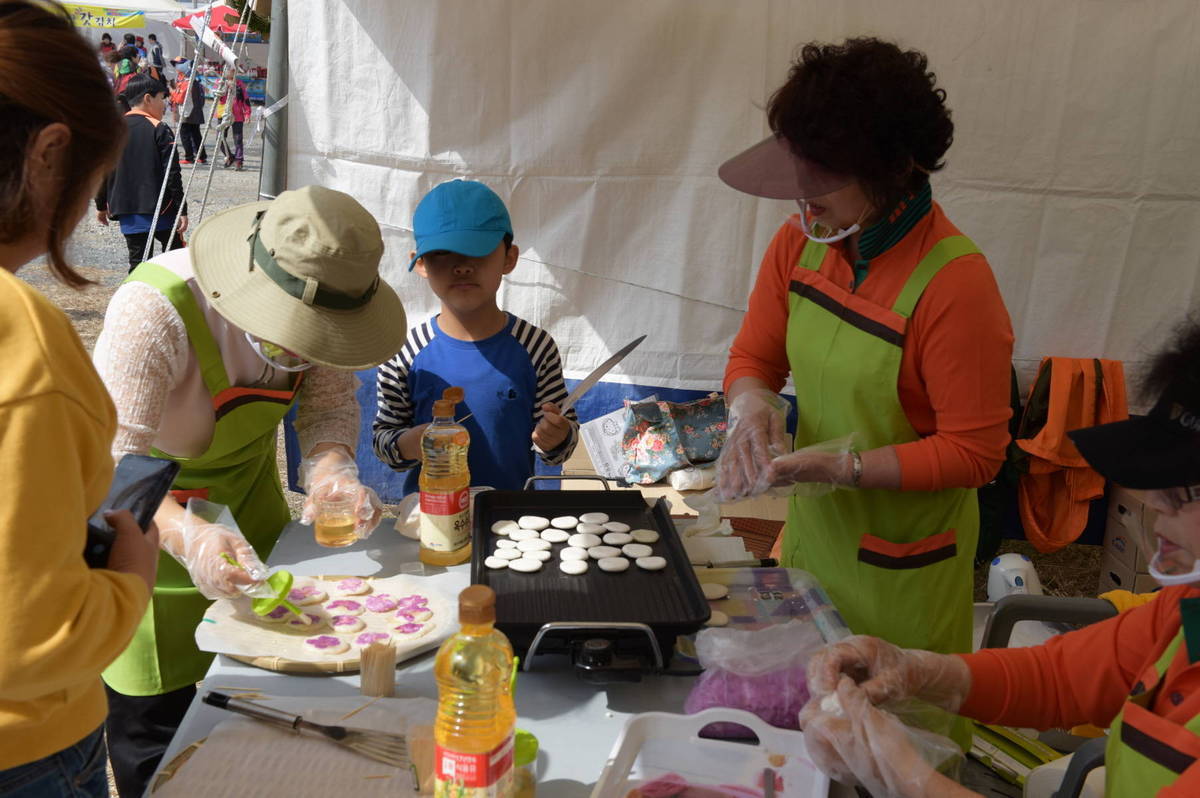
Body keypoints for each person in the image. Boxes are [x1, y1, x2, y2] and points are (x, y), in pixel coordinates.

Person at [800, 316, 1200, 797]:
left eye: (1184, 491)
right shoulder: (1183, 613)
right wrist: (919, 671)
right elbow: (1060, 680)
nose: (1155, 504)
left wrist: (904, 774)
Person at [92, 184, 405, 797]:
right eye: (295, 330)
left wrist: (331, 470)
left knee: (263, 729)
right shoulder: (154, 311)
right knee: (159, 749)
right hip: (144, 540)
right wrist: (188, 534)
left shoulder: (331, 301)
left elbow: (328, 408)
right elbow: (109, 463)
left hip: (253, 526)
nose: (302, 349)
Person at [717, 38, 1013, 668]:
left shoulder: (956, 284)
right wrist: (752, 406)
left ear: (891, 167)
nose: (804, 194)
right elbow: (753, 359)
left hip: (904, 568)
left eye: (824, 174)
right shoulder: (799, 244)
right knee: (806, 710)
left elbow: (975, 453)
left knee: (893, 720)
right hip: (813, 544)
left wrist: (845, 468)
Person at [0, 2, 160, 796]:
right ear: (49, 153)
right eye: (94, 177)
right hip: (24, 749)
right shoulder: (23, 343)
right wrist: (127, 580)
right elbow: (30, 635)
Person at [373, 179, 579, 494]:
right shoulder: (403, 351)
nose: (462, 267)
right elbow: (384, 441)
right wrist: (412, 443)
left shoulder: (536, 346)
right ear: (421, 264)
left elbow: (559, 448)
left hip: (511, 517)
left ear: (509, 258)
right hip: (431, 514)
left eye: (478, 250)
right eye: (443, 254)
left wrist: (557, 436)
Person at [95, 74, 187, 271]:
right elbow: (172, 173)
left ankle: (136, 290)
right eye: (162, 98)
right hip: (161, 209)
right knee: (176, 261)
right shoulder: (159, 128)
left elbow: (103, 172)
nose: (164, 105)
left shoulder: (113, 129)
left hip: (127, 209)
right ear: (148, 98)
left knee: (138, 265)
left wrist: (101, 205)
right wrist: (182, 209)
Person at [177, 64, 207, 164]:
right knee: (196, 134)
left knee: (184, 134)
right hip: (197, 112)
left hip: (187, 112)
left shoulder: (186, 83)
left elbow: (180, 99)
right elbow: (202, 100)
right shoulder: (198, 84)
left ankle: (189, 157)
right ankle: (202, 156)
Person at [217, 79, 250, 170]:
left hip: (238, 115)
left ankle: (239, 160)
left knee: (238, 139)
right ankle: (230, 156)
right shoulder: (220, 82)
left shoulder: (240, 84)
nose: (229, 72)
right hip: (223, 114)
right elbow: (216, 96)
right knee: (219, 138)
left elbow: (246, 99)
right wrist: (224, 86)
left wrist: (247, 113)